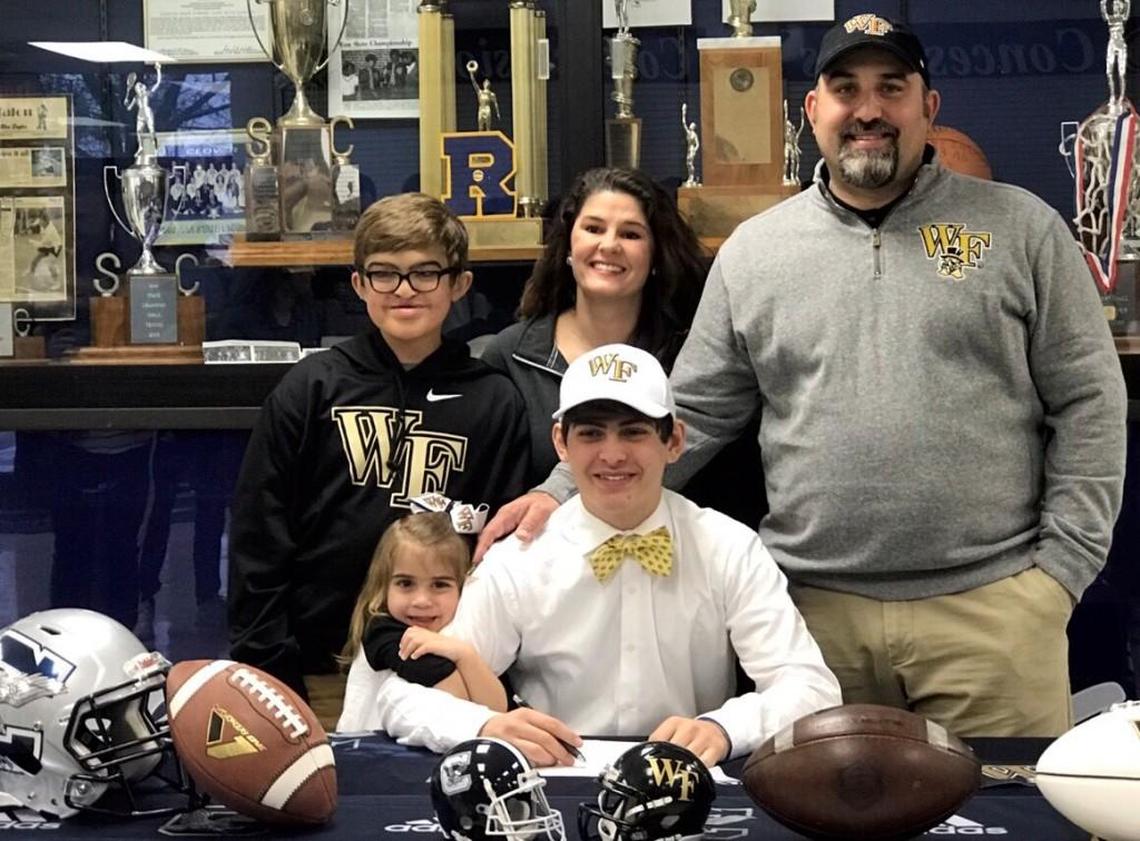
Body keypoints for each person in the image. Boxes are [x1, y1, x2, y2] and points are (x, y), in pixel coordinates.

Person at [477, 14, 1129, 738]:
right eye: (846, 89)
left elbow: (1091, 400)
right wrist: (556, 493)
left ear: (929, 107)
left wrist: (1056, 578)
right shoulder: (757, 252)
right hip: (810, 626)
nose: (869, 109)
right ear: (813, 110)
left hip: (994, 615)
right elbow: (689, 409)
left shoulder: (1021, 230)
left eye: (892, 87)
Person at [372, 343, 841, 766]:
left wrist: (724, 729)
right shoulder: (519, 557)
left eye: (634, 432)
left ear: (674, 440)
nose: (612, 455)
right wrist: (484, 727)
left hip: (689, 785)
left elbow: (811, 688)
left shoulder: (729, 547)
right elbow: (400, 698)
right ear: (561, 442)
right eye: (592, 434)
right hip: (551, 784)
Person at [228, 192, 532, 730]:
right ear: (359, 285)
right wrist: (272, 667)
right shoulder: (311, 387)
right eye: (385, 274)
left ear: (460, 284)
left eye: (425, 273)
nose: (405, 291)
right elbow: (260, 536)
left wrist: (477, 660)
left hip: (444, 673)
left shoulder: (494, 400)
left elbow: (499, 555)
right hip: (319, 673)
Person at [479, 167, 705, 485]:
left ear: (655, 256)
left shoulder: (686, 355)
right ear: (570, 244)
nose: (609, 245)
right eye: (594, 229)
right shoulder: (510, 357)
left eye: (631, 234)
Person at [338, 507, 508, 731]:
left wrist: (465, 655)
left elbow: (497, 711)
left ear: (463, 586)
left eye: (439, 584)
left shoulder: (460, 632)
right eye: (406, 583)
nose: (421, 600)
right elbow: (459, 701)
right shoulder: (382, 631)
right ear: (384, 584)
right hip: (368, 757)